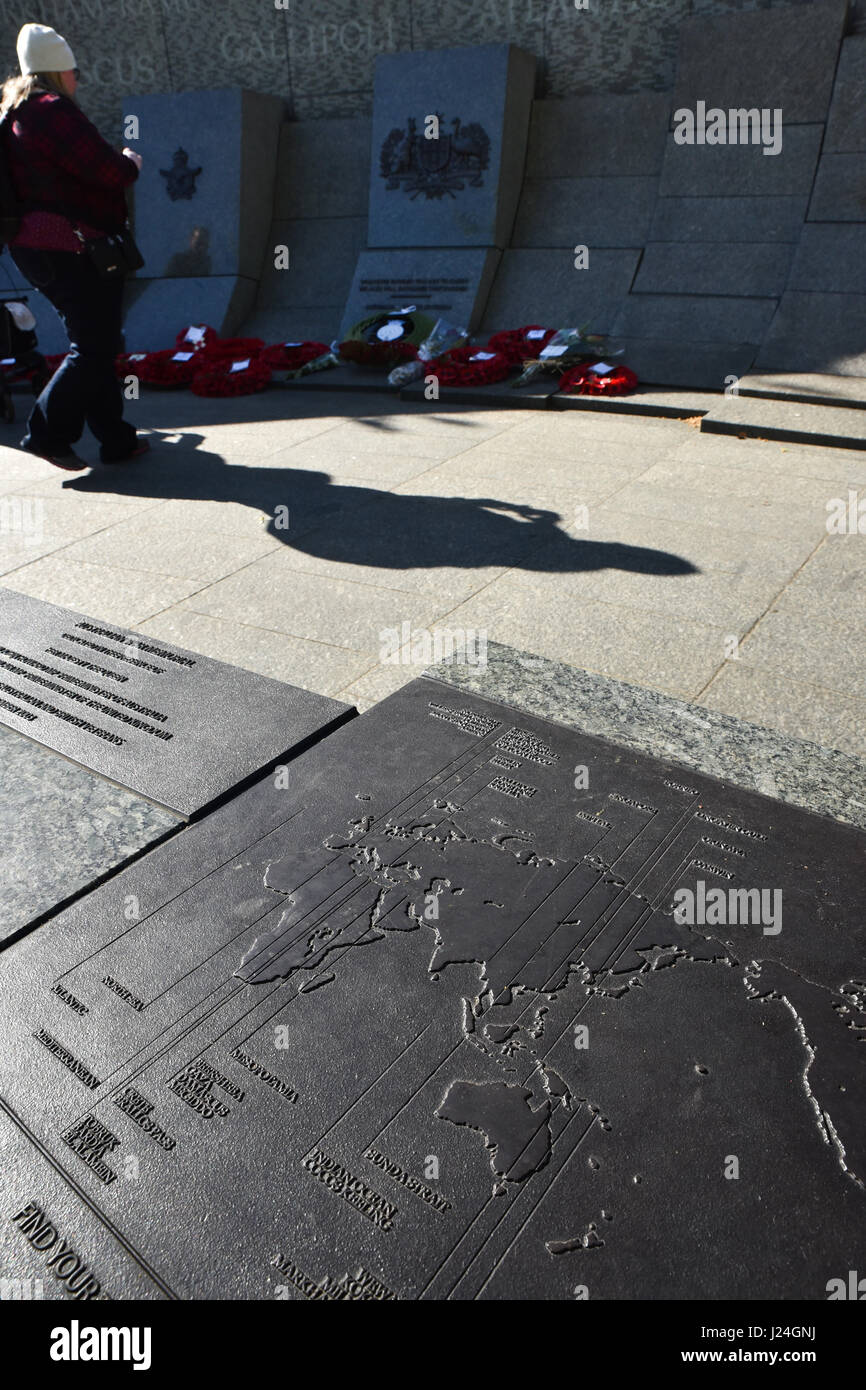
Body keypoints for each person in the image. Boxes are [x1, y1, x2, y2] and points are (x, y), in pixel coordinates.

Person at [0, 22, 146, 469]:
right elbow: (104, 171)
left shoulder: (14, 110)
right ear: (59, 72)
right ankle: (46, 433)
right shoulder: (52, 109)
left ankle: (116, 439)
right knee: (96, 345)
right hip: (75, 246)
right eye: (74, 70)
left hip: (34, 248)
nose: (78, 79)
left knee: (93, 340)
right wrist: (128, 163)